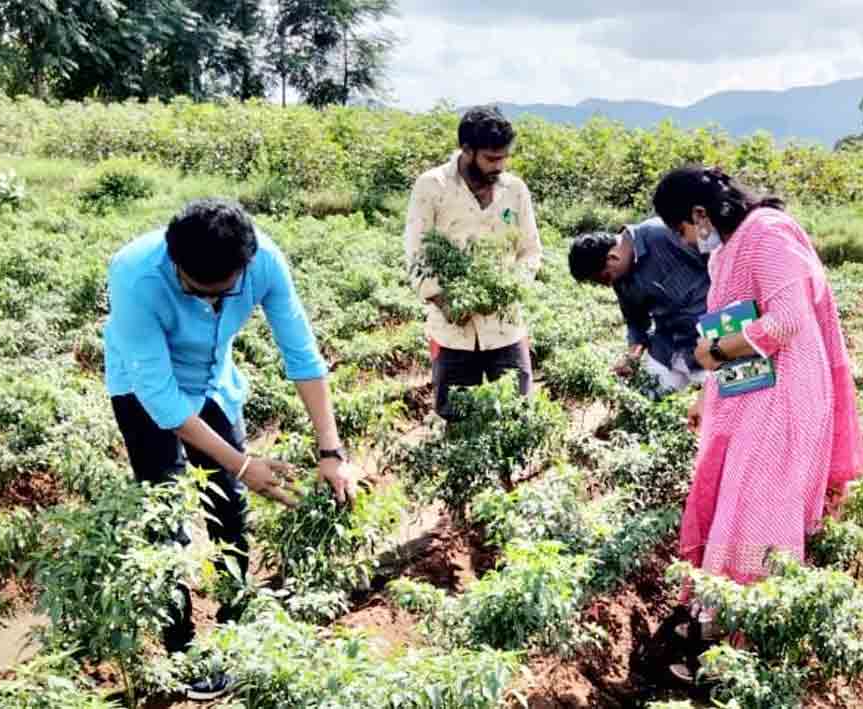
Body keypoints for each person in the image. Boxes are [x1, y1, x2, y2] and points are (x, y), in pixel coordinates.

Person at [103, 198, 359, 700]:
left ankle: (236, 618)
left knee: (229, 506)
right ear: (175, 262)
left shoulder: (264, 260)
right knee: (165, 516)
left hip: (213, 380)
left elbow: (301, 353)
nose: (212, 303)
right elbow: (161, 399)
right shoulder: (135, 276)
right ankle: (182, 650)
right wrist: (243, 464)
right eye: (197, 292)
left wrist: (331, 451)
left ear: (245, 265)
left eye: (224, 293)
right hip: (142, 390)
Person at [652, 166, 863, 680]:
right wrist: (708, 388)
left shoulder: (767, 234)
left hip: (785, 396)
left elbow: (786, 320)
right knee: (736, 508)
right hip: (750, 395)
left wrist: (714, 355)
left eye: (683, 230)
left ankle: (744, 646)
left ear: (699, 214)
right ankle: (724, 629)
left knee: (757, 514)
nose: (688, 241)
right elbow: (731, 327)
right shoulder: (729, 249)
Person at [403, 106, 543, 419]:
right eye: (491, 159)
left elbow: (530, 252)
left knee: (517, 416)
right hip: (452, 332)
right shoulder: (432, 186)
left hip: (506, 327)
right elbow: (416, 253)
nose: (499, 166)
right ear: (467, 150)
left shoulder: (515, 190)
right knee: (456, 417)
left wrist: (508, 290)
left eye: (504, 158)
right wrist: (445, 301)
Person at [568, 218, 710, 397]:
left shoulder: (661, 233)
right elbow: (636, 321)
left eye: (604, 278)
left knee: (721, 404)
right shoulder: (620, 278)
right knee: (648, 400)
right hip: (668, 348)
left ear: (612, 257)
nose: (609, 284)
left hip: (712, 341)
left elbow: (720, 260)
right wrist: (631, 357)